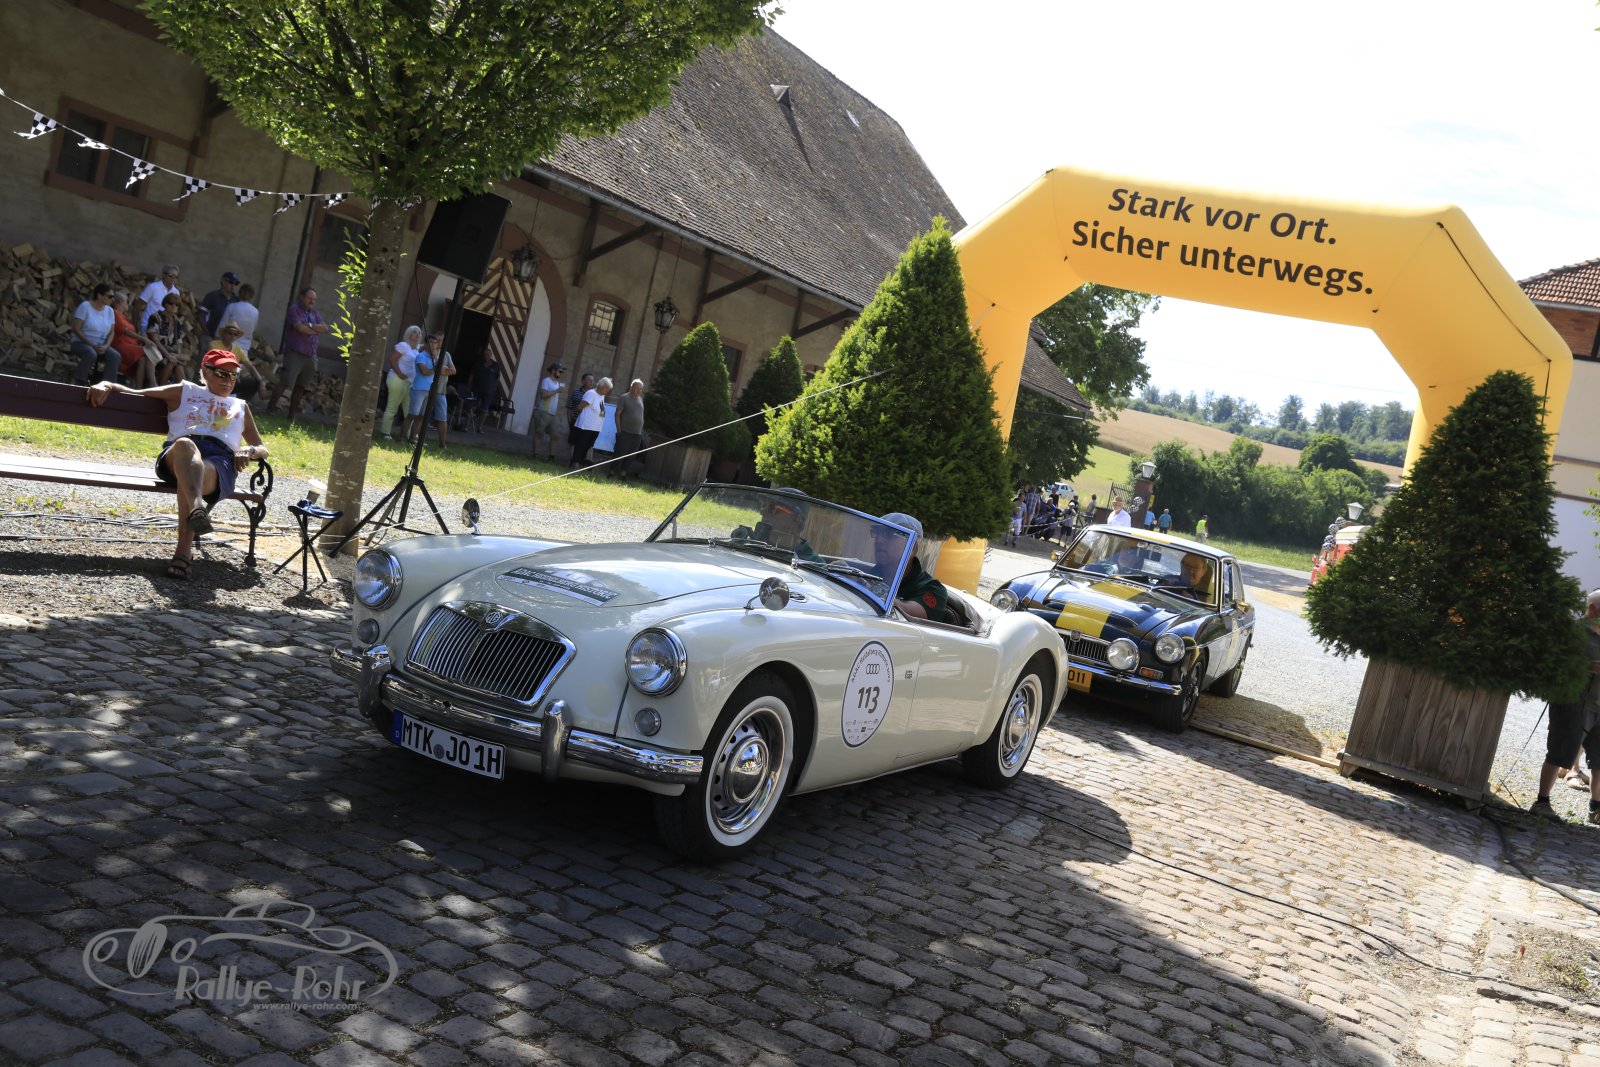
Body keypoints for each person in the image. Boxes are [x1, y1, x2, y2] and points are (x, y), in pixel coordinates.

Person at [85, 349, 267, 581]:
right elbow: (136, 392)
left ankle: (187, 541)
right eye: (221, 373)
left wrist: (249, 450)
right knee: (185, 446)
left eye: (233, 375)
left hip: (219, 462)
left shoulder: (240, 406)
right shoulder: (185, 391)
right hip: (178, 454)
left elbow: (262, 448)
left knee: (192, 473)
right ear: (205, 372)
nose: (228, 380)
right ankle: (195, 516)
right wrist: (106, 384)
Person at [1530, 590, 1600, 825]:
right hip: (1573, 700)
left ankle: (1596, 809)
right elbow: (1556, 662)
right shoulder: (1573, 631)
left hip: (1598, 704)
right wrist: (1588, 666)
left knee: (1599, 758)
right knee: (1560, 750)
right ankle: (1542, 802)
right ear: (1592, 608)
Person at [873, 512, 947, 621]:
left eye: (889, 534)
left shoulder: (932, 588)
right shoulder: (865, 573)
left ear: (912, 547)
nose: (879, 540)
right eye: (876, 533)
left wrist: (873, 593)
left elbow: (911, 614)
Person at [268, 287, 329, 420]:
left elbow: (325, 328)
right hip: (295, 353)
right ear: (302, 297)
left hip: (311, 355)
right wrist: (315, 330)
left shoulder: (314, 313)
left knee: (301, 386)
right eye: (309, 298)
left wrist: (310, 326)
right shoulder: (294, 310)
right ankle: (270, 409)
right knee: (285, 382)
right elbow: (300, 329)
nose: (312, 301)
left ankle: (291, 415)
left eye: (314, 299)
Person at [406, 332, 454, 449]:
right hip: (424, 389)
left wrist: (442, 371)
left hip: (439, 390)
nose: (438, 343)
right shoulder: (425, 354)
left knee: (434, 417)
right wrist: (439, 369)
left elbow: (452, 370)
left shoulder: (445, 354)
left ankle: (441, 444)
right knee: (415, 415)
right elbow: (425, 371)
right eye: (436, 341)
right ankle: (407, 438)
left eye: (439, 341)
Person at [69, 282, 118, 386]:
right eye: (110, 296)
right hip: (81, 343)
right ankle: (79, 381)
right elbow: (76, 328)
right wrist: (91, 344)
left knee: (115, 356)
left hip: (100, 345)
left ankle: (107, 385)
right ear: (99, 295)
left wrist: (106, 345)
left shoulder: (110, 311)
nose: (112, 299)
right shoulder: (85, 307)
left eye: (113, 297)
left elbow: (112, 332)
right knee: (91, 353)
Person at [382, 325, 424, 440]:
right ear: (409, 333)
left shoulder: (415, 349)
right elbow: (392, 359)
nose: (417, 334)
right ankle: (386, 433)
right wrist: (399, 373)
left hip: (409, 383)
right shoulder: (403, 345)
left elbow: (425, 345)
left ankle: (409, 435)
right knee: (392, 407)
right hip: (397, 379)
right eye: (414, 332)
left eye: (419, 332)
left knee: (409, 411)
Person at [109, 292, 157, 389]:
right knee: (148, 351)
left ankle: (138, 389)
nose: (129, 305)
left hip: (130, 345)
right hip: (120, 345)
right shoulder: (114, 313)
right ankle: (152, 383)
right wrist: (144, 339)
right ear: (120, 302)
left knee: (142, 359)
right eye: (127, 302)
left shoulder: (123, 316)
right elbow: (124, 330)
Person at [208, 322, 266, 403]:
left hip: (230, 381)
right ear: (224, 334)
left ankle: (238, 404)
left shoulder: (238, 349)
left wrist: (261, 381)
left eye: (235, 334)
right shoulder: (214, 344)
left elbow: (250, 367)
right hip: (216, 378)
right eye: (230, 333)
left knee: (255, 382)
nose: (232, 336)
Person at [147, 292, 191, 384]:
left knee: (178, 366)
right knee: (172, 363)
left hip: (171, 354)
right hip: (155, 352)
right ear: (165, 304)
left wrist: (177, 354)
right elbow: (154, 339)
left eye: (177, 305)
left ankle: (183, 391)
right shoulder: (155, 317)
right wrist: (168, 355)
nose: (174, 306)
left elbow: (179, 342)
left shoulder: (177, 322)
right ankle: (161, 387)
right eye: (171, 303)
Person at [569, 375, 611, 468]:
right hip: (586, 426)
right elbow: (579, 407)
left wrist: (601, 415)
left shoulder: (602, 396)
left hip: (596, 427)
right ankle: (575, 464)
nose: (608, 391)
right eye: (607, 388)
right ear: (601, 386)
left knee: (587, 446)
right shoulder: (591, 393)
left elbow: (601, 410)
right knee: (580, 445)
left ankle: (579, 464)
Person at [611, 378, 646, 478]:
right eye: (637, 388)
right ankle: (612, 472)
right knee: (620, 453)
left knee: (631, 455)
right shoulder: (624, 398)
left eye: (641, 389)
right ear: (631, 387)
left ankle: (623, 474)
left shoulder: (640, 399)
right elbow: (617, 414)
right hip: (625, 431)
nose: (639, 390)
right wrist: (619, 430)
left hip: (637, 433)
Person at [531, 362, 565, 458]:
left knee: (555, 435)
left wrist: (559, 390)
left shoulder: (557, 383)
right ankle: (535, 455)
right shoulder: (546, 381)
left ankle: (551, 457)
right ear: (553, 371)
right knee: (539, 433)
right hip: (543, 411)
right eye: (559, 371)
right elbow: (543, 395)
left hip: (552, 413)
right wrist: (557, 391)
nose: (561, 373)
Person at [135, 263, 180, 334]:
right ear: (163, 275)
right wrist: (135, 325)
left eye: (176, 276)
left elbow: (173, 312)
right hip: (147, 326)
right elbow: (138, 305)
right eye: (171, 275)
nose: (173, 278)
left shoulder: (176, 292)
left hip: (163, 330)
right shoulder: (153, 287)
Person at [198, 271, 239, 338]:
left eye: (235, 283)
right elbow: (201, 315)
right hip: (211, 336)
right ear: (223, 281)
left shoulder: (236, 300)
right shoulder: (212, 296)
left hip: (228, 339)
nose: (233, 285)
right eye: (231, 282)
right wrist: (206, 332)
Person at [468, 354, 502, 434]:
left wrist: (495, 388)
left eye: (488, 355)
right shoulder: (478, 364)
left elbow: (497, 378)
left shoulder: (495, 365)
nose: (486, 356)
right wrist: (469, 385)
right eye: (485, 355)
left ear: (491, 355)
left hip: (488, 392)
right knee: (472, 407)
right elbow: (472, 375)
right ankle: (466, 425)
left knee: (485, 410)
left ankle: (479, 427)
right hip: (477, 389)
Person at [568, 371, 595, 445]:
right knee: (573, 442)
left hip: (588, 424)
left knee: (584, 444)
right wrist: (570, 421)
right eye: (589, 380)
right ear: (583, 381)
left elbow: (601, 411)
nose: (591, 382)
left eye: (592, 380)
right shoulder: (575, 393)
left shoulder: (595, 395)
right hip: (576, 421)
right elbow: (569, 407)